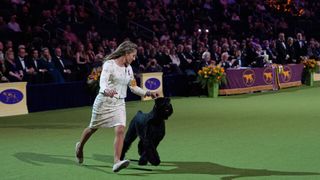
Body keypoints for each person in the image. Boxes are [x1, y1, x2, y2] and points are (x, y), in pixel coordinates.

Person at [75, 40, 158, 173]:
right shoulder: (109, 64)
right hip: (104, 101)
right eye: (133, 55)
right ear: (126, 53)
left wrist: (147, 93)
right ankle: (80, 147)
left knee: (120, 129)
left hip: (119, 103)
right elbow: (103, 81)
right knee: (93, 128)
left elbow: (133, 87)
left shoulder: (129, 68)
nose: (134, 58)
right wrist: (106, 90)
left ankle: (116, 161)